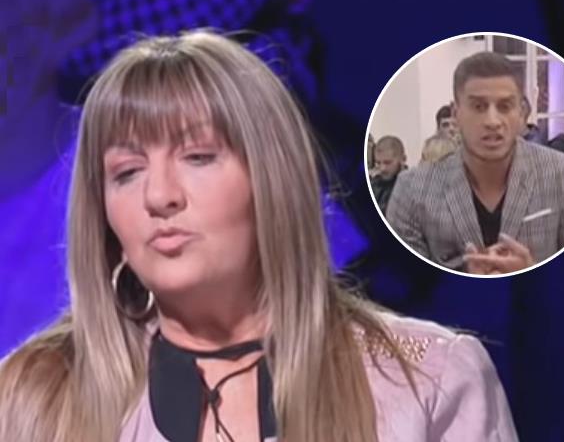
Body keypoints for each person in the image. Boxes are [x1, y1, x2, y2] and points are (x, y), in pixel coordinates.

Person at [0, 31, 518, 442]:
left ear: (272, 181)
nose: (158, 196)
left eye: (198, 157)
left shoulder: (428, 379)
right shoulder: (33, 395)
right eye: (127, 172)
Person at [387, 51, 564, 275]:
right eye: (478, 107)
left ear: (521, 113)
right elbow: (398, 285)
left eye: (505, 106)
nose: (492, 121)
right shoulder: (412, 191)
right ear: (456, 113)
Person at [370, 135, 408, 214]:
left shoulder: (412, 187)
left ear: (403, 159)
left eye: (387, 163)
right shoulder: (373, 184)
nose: (382, 168)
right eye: (378, 163)